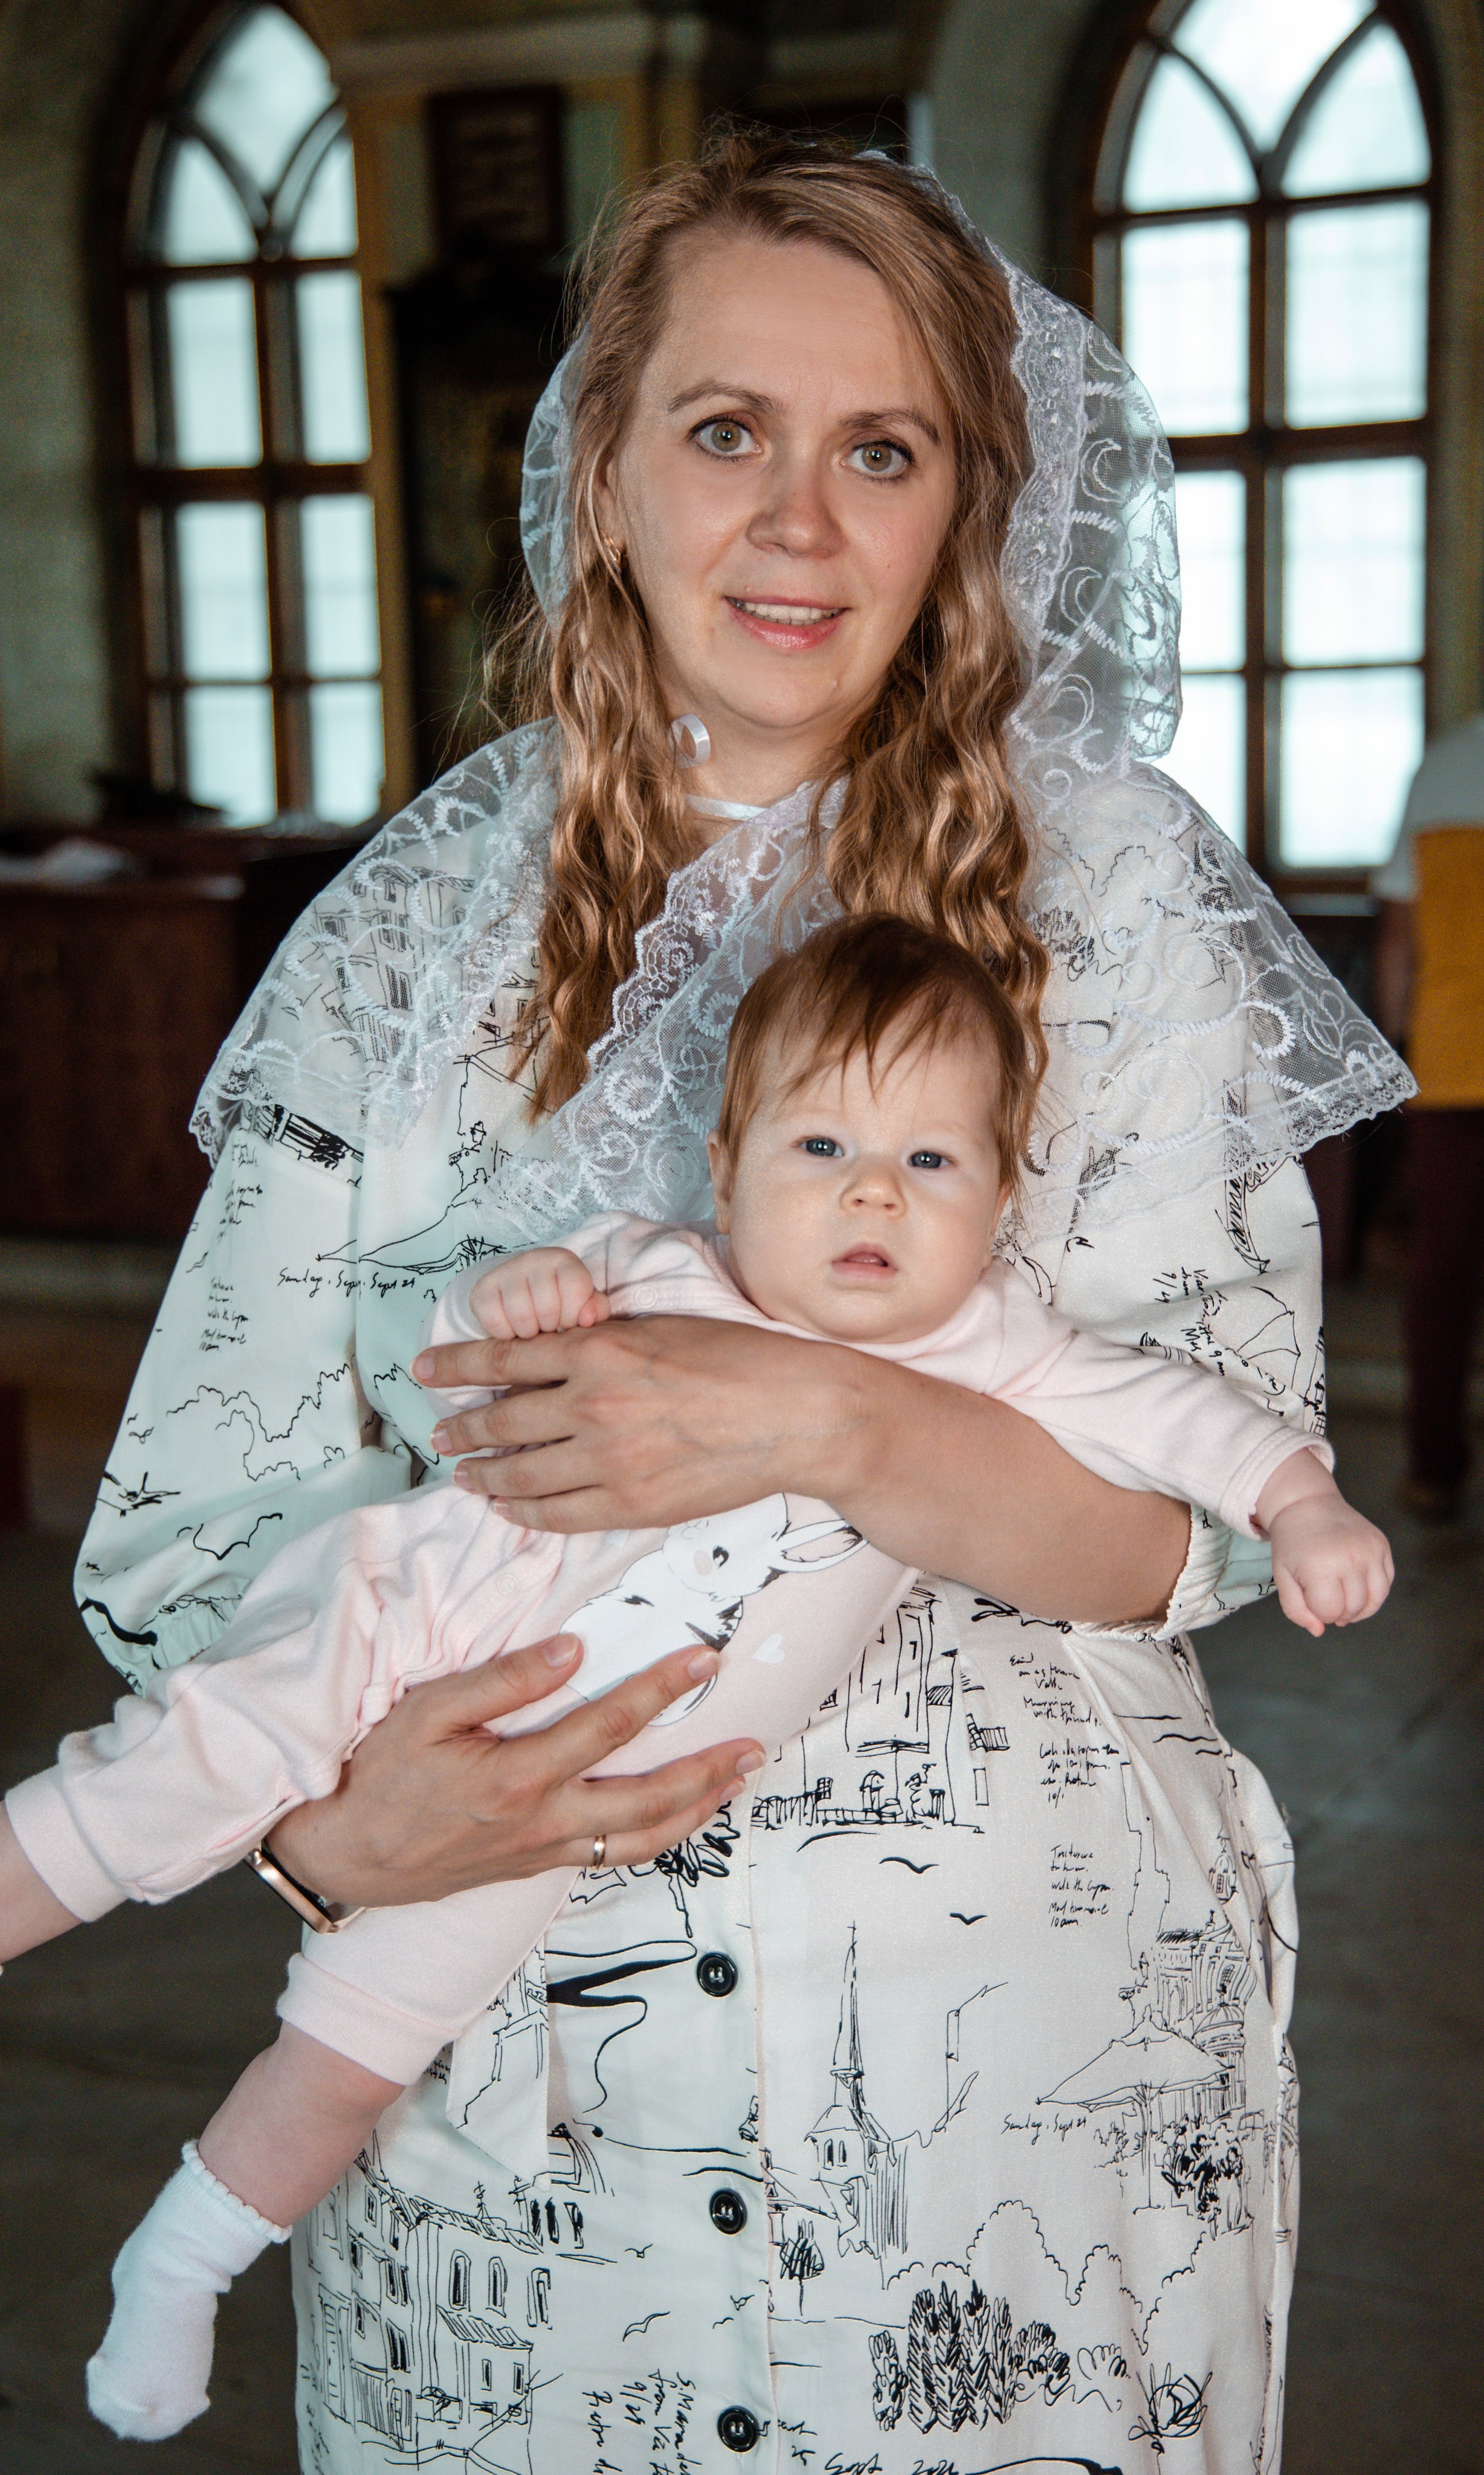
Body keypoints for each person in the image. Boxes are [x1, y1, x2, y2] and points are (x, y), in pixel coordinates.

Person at [60, 137, 1411, 2472]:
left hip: (1006, 2105)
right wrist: (330, 1839)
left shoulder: (1116, 896)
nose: (796, 521)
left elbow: (1188, 1531)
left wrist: (819, 1419)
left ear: (964, 509)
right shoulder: (409, 931)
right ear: (600, 470)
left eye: (878, 450)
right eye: (723, 432)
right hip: (520, 2123)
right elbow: (198, 1520)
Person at [3, 919, 1392, 2441]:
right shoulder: (658, 1267)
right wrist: (516, 1295)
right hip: (415, 1614)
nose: (872, 1190)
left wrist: (1305, 1507)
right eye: (821, 1145)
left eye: (931, 1160)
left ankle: (183, 2258)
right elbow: (458, 1348)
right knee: (184, 1762)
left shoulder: (994, 1349)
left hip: (556, 1799)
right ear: (725, 1168)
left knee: (351, 2050)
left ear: (1000, 1200)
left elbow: (1189, 1421)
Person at [1373, 715, 1484, 1517]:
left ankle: (1434, 1470)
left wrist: (1397, 1046)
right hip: (1447, 1064)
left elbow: (1396, 943)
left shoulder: (1442, 770)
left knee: (1443, 1274)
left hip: (1449, 1060)